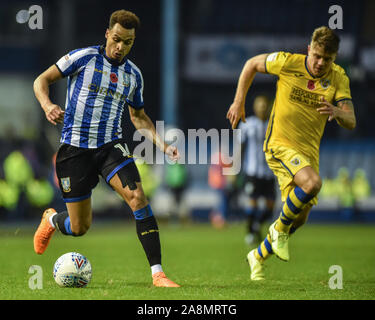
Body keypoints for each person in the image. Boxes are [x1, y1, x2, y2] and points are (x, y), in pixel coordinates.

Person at [33, 9, 180, 287]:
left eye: (128, 42)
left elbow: (138, 117)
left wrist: (162, 145)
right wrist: (47, 105)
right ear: (107, 34)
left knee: (138, 198)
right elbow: (41, 80)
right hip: (74, 150)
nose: (120, 47)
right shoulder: (83, 58)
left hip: (111, 147)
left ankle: (158, 274)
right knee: (80, 227)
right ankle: (52, 220)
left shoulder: (133, 75)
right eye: (116, 39)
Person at [226, 26, 356, 280]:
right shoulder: (287, 62)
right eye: (317, 56)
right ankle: (279, 231)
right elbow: (251, 64)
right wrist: (239, 100)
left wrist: (338, 112)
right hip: (279, 144)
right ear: (309, 49)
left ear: (335, 58)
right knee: (313, 184)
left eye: (327, 59)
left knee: (300, 217)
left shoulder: (338, 77)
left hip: (308, 154)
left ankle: (258, 255)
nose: (320, 63)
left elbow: (351, 120)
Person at [237, 95, 276, 245]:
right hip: (252, 172)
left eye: (264, 105)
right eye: (259, 105)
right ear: (254, 107)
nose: (262, 108)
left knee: (270, 205)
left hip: (269, 172)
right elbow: (240, 147)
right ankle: (250, 233)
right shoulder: (247, 124)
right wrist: (235, 169)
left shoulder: (274, 125)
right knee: (252, 203)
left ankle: (257, 225)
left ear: (268, 107)